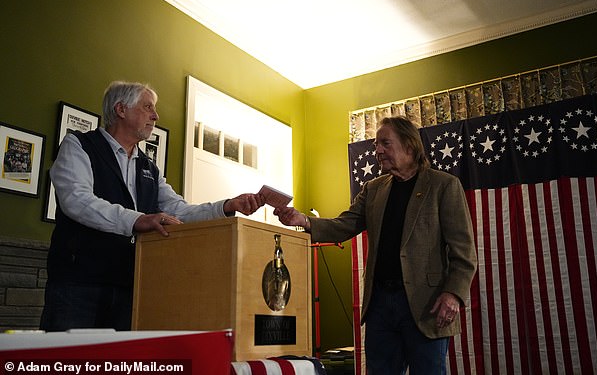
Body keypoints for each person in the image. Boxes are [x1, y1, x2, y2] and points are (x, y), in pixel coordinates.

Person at [40, 81, 265, 332]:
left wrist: (225, 207)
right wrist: (137, 220)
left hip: (132, 286)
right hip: (78, 285)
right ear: (121, 109)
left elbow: (178, 211)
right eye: (148, 107)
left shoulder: (149, 167)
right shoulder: (79, 145)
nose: (155, 116)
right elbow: (77, 200)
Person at [275, 116, 477, 374]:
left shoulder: (444, 186)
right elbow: (345, 225)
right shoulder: (373, 188)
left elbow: (464, 252)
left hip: (427, 305)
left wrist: (453, 294)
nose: (377, 150)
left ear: (410, 146)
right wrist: (303, 220)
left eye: (385, 143)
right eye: (376, 144)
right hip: (380, 304)